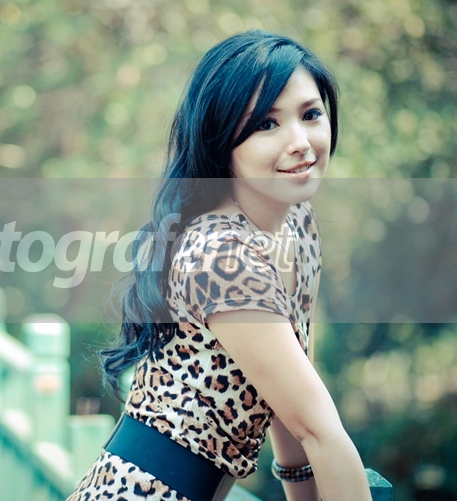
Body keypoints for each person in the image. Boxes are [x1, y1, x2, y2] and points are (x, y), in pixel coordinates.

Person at [67, 30, 372, 501]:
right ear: (221, 139)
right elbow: (321, 431)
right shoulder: (221, 257)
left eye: (311, 115)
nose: (301, 142)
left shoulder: (297, 224)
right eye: (266, 124)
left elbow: (297, 405)